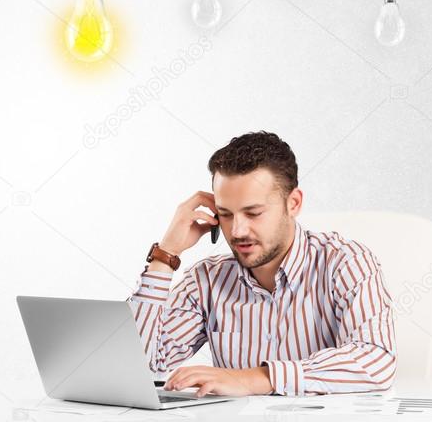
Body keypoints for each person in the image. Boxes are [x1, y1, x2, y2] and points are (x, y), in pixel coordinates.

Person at [128, 131, 396, 397]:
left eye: (253, 213)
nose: (237, 231)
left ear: (293, 203)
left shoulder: (346, 263)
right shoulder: (206, 280)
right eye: (225, 214)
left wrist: (256, 379)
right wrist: (166, 254)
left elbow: (375, 360)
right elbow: (139, 367)